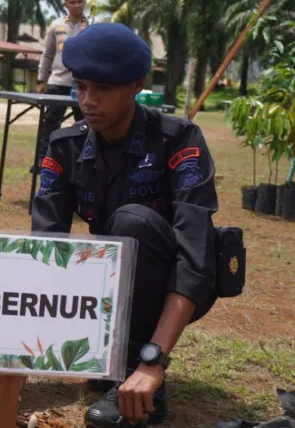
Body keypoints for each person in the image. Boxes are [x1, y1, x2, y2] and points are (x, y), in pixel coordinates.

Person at [31, 23, 219, 427]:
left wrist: (153, 360)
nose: (88, 101)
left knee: (133, 221)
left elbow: (195, 254)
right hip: (109, 283)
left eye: (103, 89)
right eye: (81, 87)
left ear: (138, 84)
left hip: (175, 284)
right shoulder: (66, 145)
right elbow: (45, 245)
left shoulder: (178, 140)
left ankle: (142, 374)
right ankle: (114, 356)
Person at [34, 0, 89, 168]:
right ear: (65, 4)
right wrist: (41, 80)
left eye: (80, 1)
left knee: (85, 124)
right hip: (58, 82)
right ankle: (43, 160)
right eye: (72, 2)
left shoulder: (93, 25)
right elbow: (47, 54)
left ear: (85, 2)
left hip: (84, 84)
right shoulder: (56, 25)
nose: (77, 5)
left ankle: (83, 162)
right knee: (50, 123)